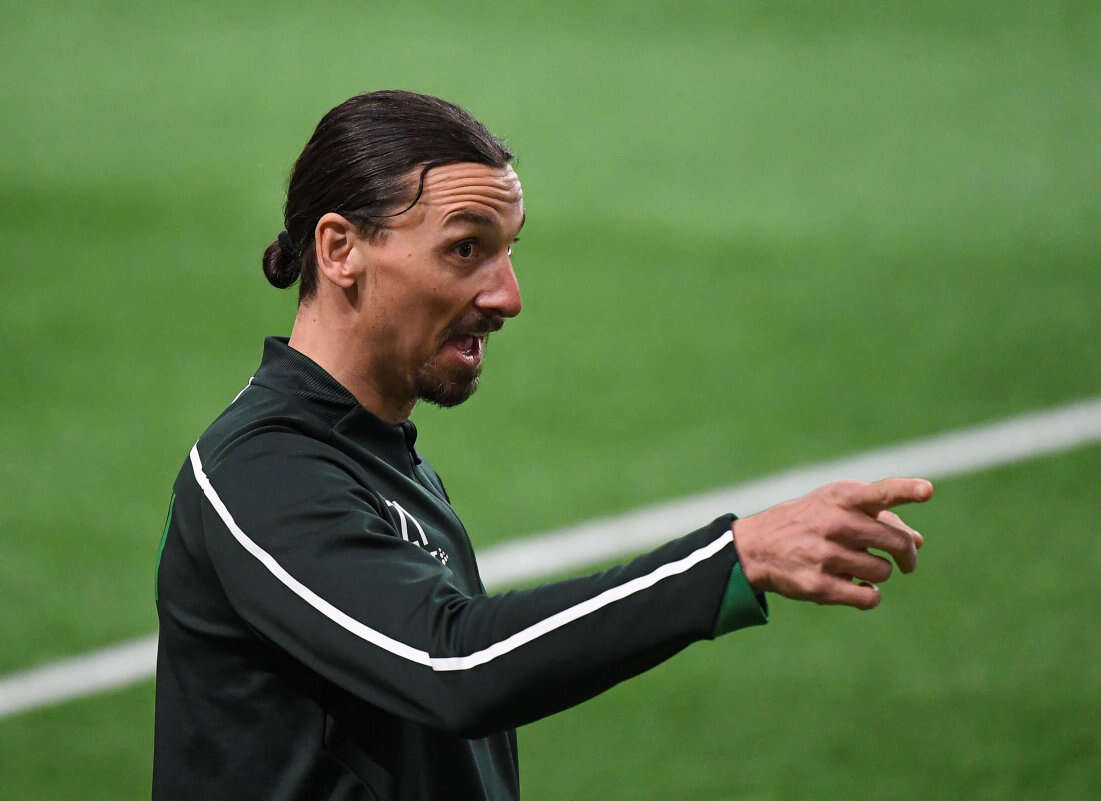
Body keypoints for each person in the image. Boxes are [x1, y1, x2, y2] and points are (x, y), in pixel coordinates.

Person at [152, 90, 933, 801]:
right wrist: (732, 559)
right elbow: (452, 664)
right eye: (466, 249)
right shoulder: (260, 468)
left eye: (509, 249)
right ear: (340, 249)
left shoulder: (381, 456)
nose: (508, 296)